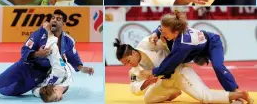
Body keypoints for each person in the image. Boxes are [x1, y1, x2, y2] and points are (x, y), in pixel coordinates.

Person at [0, 9, 94, 98]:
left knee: (9, 92)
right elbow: (24, 50)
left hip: (40, 75)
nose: (54, 20)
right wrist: (37, 54)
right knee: (0, 80)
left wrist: (83, 68)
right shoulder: (39, 33)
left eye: (58, 19)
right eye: (52, 18)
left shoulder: (68, 41)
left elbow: (73, 58)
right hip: (24, 66)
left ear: (63, 23)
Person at [139, 11, 254, 104]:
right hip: (197, 49)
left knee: (218, 67)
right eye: (162, 32)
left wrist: (153, 72)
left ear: (175, 32)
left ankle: (236, 92)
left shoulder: (183, 44)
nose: (162, 35)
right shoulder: (173, 27)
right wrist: (155, 33)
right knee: (171, 49)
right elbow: (160, 28)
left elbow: (170, 64)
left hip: (212, 43)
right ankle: (235, 95)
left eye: (165, 33)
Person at [113, 37, 253, 104]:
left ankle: (240, 95)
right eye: (125, 64)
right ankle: (173, 92)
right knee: (148, 99)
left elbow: (166, 38)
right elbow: (134, 89)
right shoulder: (134, 70)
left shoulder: (147, 43)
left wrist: (194, 54)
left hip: (179, 73)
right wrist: (146, 83)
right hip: (164, 82)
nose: (128, 65)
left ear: (133, 53)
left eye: (127, 61)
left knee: (205, 98)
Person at [32, 22, 94, 102]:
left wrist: (49, 32)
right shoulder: (48, 89)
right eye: (55, 100)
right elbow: (35, 91)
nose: (57, 100)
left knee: (52, 51)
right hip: (59, 66)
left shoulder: (59, 73)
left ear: (55, 89)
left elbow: (53, 49)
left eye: (55, 98)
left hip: (46, 62)